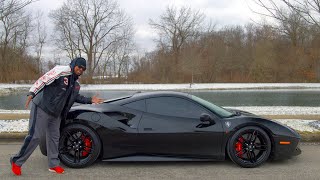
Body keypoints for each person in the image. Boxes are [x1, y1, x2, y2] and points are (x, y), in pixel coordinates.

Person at [10, 57, 104, 175]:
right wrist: (32, 92)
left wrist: (90, 100)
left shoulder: (76, 84)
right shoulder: (61, 71)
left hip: (56, 114)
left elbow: (76, 97)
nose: (80, 69)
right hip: (42, 107)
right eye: (79, 66)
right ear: (74, 64)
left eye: (83, 69)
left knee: (54, 138)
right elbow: (44, 80)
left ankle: (53, 165)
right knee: (35, 136)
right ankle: (17, 161)